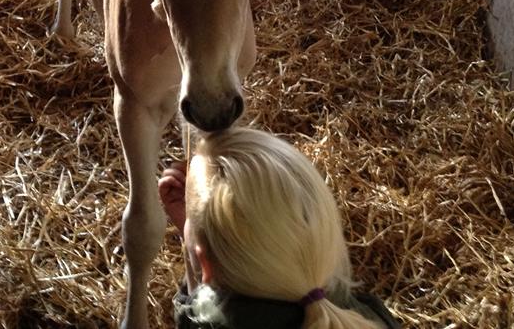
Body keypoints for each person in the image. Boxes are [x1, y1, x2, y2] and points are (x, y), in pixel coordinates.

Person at [158, 126, 400, 329]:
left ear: (205, 265)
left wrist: (195, 235)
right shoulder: (365, 315)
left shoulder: (209, 324)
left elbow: (198, 310)